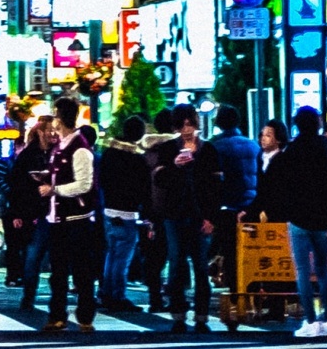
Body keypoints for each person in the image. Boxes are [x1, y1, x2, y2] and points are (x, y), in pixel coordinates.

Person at [266, 104, 327, 337]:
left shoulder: (291, 152)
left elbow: (277, 183)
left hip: (299, 218)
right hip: (324, 219)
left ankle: (310, 320)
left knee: (302, 270)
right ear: (319, 123)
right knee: (323, 270)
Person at [150, 104, 220, 331]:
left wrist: (211, 217)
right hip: (174, 213)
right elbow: (159, 181)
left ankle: (201, 316)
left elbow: (216, 186)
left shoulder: (208, 149)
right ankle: (178, 314)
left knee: (200, 264)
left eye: (190, 123)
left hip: (200, 214)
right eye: (182, 125)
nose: (186, 129)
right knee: (177, 261)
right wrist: (173, 166)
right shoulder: (169, 149)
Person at [45, 93, 99, 333]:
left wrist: (53, 189)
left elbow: (84, 185)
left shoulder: (79, 149)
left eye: (55, 115)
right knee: (58, 272)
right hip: (57, 218)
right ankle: (57, 315)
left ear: (61, 118)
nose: (52, 122)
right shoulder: (59, 147)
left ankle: (85, 316)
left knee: (81, 271)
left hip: (76, 220)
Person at [97, 111, 150, 314]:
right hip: (127, 211)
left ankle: (106, 292)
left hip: (108, 209)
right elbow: (143, 188)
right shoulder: (136, 159)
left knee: (111, 254)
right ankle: (117, 295)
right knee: (122, 257)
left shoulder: (109, 154)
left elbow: (102, 180)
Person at [8, 109, 55, 313]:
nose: (53, 134)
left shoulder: (57, 152)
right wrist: (17, 212)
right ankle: (28, 296)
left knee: (52, 256)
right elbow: (16, 184)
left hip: (54, 210)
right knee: (33, 254)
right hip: (34, 211)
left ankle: (54, 297)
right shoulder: (29, 154)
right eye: (49, 131)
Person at [210, 103, 258, 301]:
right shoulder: (253, 144)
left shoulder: (215, 145)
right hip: (251, 205)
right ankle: (251, 290)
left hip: (227, 205)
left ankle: (235, 292)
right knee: (251, 250)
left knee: (230, 250)